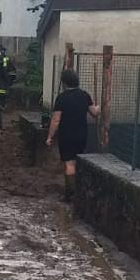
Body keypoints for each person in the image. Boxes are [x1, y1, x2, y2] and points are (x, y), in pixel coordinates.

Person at [46, 69, 99, 201]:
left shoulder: (62, 98)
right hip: (82, 134)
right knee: (77, 161)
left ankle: (70, 194)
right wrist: (99, 106)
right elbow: (94, 113)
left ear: (64, 83)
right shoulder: (85, 95)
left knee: (69, 164)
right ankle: (78, 191)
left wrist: (50, 136)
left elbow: (56, 120)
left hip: (66, 135)